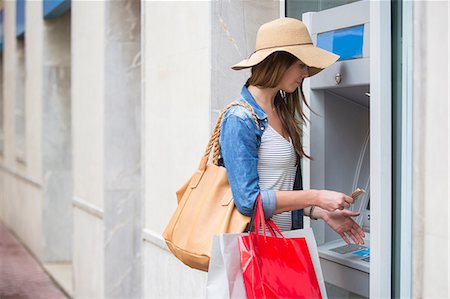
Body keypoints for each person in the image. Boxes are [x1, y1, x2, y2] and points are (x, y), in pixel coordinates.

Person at [219, 17, 365, 245]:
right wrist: (317, 196)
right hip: (254, 253)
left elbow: (281, 189)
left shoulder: (281, 112)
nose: (306, 73)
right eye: (301, 65)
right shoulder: (240, 118)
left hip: (283, 246)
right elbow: (249, 201)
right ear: (279, 61)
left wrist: (321, 212)